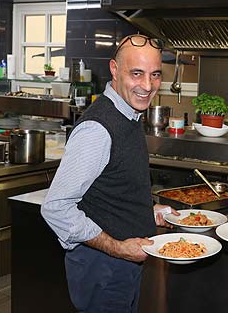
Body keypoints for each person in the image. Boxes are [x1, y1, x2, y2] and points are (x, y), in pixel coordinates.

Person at [41, 34, 178, 313]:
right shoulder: (98, 129)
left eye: (155, 75)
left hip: (121, 264)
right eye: (136, 74)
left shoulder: (129, 113)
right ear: (114, 69)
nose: (147, 86)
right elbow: (56, 208)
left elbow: (109, 187)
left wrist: (147, 210)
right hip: (102, 267)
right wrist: (117, 247)